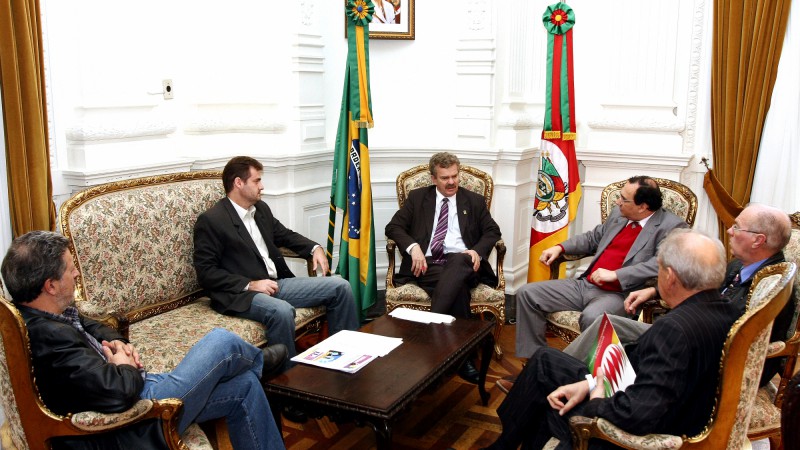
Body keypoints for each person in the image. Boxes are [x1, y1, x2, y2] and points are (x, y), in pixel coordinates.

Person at [1, 231, 286, 450]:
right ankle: (261, 364)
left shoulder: (45, 313)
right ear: (50, 285)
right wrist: (124, 365)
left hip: (139, 391)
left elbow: (88, 323)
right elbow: (118, 392)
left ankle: (255, 370)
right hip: (133, 421)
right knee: (222, 342)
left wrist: (117, 343)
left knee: (246, 386)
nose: (77, 273)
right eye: (70, 268)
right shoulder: (47, 337)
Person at [485, 229, 739, 449]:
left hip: (635, 432)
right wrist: (589, 382)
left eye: (659, 269)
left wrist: (596, 399)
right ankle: (503, 446)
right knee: (545, 360)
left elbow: (637, 414)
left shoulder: (674, 330)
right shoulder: (727, 310)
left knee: (547, 402)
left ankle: (507, 445)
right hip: (661, 399)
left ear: (670, 276)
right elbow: (652, 367)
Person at [193, 156, 360, 422]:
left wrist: (314, 247)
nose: (262, 186)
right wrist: (250, 284)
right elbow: (207, 273)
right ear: (238, 183)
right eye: (257, 180)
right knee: (281, 311)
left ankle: (345, 371)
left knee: (340, 286)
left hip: (276, 283)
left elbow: (285, 235)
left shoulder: (261, 210)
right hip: (241, 294)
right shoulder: (212, 220)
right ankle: (292, 393)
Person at [561, 203, 794, 388]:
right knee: (608, 323)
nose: (730, 231)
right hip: (694, 337)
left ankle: (573, 380)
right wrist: (653, 289)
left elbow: (738, 338)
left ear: (758, 240)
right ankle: (573, 377)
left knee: (630, 345)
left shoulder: (770, 285)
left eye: (737, 227)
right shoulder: (740, 266)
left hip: (714, 359)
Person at [513, 176, 688, 361]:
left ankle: (579, 374)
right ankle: (533, 362)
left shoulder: (672, 226)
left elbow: (660, 263)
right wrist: (560, 247)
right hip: (585, 285)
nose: (618, 201)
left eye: (623, 199)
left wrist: (616, 275)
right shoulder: (619, 214)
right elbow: (592, 238)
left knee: (593, 318)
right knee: (527, 293)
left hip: (620, 294)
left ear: (642, 206)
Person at [385, 152, 501, 383]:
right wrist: (413, 247)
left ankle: (431, 337)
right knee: (456, 289)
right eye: (445, 177)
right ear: (433, 179)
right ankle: (461, 356)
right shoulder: (418, 199)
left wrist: (476, 252)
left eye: (455, 176)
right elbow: (393, 227)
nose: (451, 182)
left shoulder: (473, 201)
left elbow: (492, 231)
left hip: (465, 263)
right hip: (429, 266)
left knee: (458, 260)